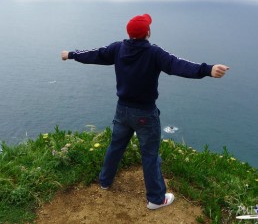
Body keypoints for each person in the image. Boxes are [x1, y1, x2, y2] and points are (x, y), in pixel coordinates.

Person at [61, 14, 229, 210]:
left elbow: (96, 53)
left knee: (116, 146)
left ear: (129, 33)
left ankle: (105, 181)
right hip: (144, 114)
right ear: (147, 33)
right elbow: (178, 64)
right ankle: (156, 199)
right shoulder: (154, 53)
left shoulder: (118, 48)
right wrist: (208, 70)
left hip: (122, 110)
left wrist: (71, 54)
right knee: (150, 154)